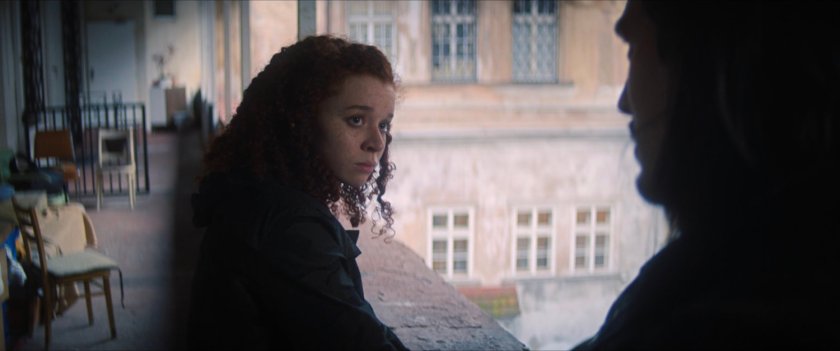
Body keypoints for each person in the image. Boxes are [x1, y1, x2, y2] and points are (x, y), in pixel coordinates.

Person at [574, 1, 840, 349]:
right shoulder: (790, 273)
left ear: (696, 65)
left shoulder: (704, 322)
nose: (624, 101)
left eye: (634, 51)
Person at [188, 35, 407, 350]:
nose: (376, 142)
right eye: (356, 119)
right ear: (301, 122)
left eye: (384, 125)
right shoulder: (288, 229)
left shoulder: (254, 195)